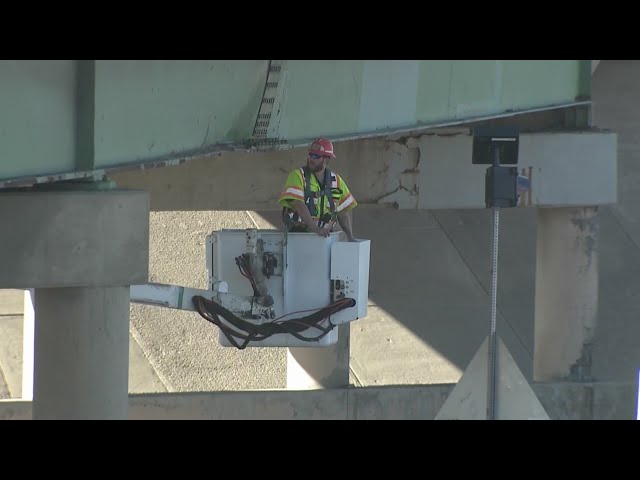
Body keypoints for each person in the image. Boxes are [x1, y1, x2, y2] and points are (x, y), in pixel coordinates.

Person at [278, 137, 358, 242]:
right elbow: (299, 204)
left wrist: (350, 237)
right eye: (310, 155)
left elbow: (342, 212)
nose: (311, 159)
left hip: (325, 239)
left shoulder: (337, 181)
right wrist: (315, 229)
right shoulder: (297, 176)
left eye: (316, 156)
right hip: (298, 238)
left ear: (326, 159)